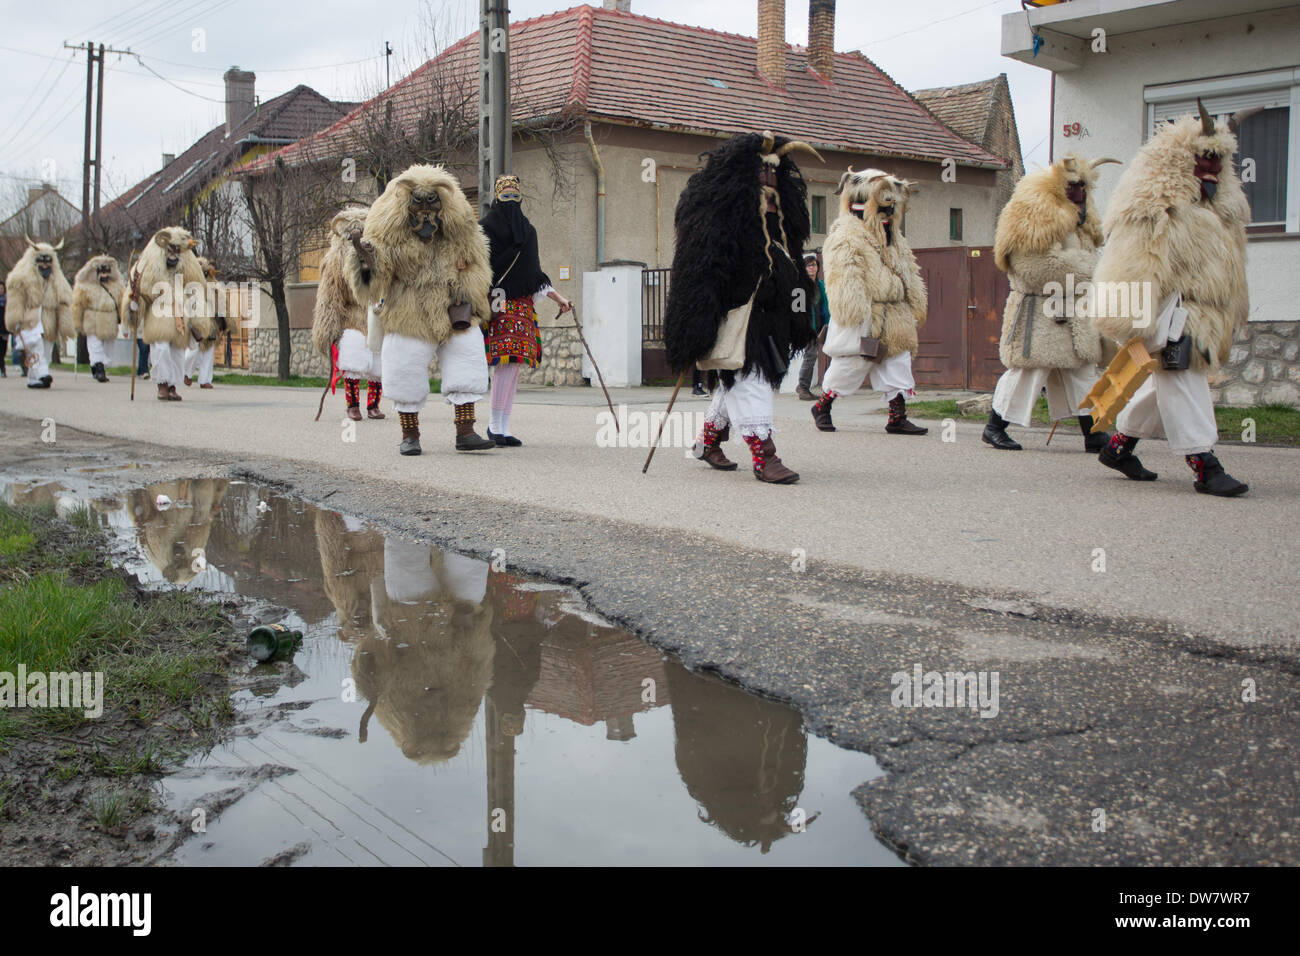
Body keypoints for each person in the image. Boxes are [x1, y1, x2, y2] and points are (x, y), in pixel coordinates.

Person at [1088, 101, 1254, 497]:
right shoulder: (1152, 205)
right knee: (1182, 378)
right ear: (1180, 159)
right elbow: (1131, 264)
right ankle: (1204, 464)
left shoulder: (1223, 210)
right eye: (1203, 158)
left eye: (1218, 160)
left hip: (1204, 313)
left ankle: (1118, 446)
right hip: (1171, 313)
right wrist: (1132, 316)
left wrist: (1232, 308)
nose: (1210, 168)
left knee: (1162, 381)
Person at [664, 131, 822, 484]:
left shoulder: (780, 232)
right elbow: (701, 276)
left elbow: (794, 280)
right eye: (761, 176)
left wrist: (797, 314)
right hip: (737, 323)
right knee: (749, 383)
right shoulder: (723, 227)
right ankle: (764, 456)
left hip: (770, 325)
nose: (769, 187)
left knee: (743, 382)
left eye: (773, 177)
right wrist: (697, 326)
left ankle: (707, 442)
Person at [350, 164, 495, 455]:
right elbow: (371, 283)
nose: (426, 210)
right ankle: (410, 435)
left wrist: (470, 299)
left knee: (467, 357)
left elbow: (478, 267)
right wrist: (367, 263)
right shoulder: (389, 237)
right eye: (418, 202)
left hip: (454, 308)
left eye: (433, 202)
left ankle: (465, 432)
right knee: (403, 362)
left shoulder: (460, 234)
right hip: (408, 311)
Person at [982, 154, 1121, 451]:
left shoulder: (1078, 223)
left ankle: (1094, 433)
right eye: (1073, 186)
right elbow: (1037, 268)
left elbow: (1081, 260)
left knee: (1083, 371)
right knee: (1029, 371)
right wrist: (1092, 270)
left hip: (1073, 312)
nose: (1080, 193)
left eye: (1084, 186)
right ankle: (994, 427)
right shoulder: (1033, 217)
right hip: (1039, 313)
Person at [814, 168, 928, 435]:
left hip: (894, 311)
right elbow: (844, 271)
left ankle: (896, 416)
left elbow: (907, 268)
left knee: (897, 361)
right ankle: (823, 406)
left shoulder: (893, 237)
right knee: (854, 363)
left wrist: (914, 299)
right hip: (864, 312)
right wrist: (853, 308)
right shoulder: (846, 233)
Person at [479, 174, 571, 447]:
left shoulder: (528, 232)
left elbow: (534, 274)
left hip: (521, 307)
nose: (510, 201)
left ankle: (503, 426)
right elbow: (476, 268)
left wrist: (559, 298)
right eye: (505, 196)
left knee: (514, 366)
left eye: (514, 196)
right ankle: (494, 425)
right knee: (503, 365)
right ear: (497, 198)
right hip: (495, 305)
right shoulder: (482, 230)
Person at [312, 206, 383, 420]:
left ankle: (373, 404)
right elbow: (329, 298)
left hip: (374, 315)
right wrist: (329, 328)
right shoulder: (335, 261)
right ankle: (352, 404)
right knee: (352, 354)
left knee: (377, 360)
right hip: (351, 318)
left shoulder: (377, 256)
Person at [121, 227, 206, 401]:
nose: (173, 255)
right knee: (161, 348)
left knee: (176, 352)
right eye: (170, 250)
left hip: (179, 317)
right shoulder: (149, 270)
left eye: (177, 251)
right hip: (158, 318)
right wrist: (134, 305)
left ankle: (173, 385)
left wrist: (197, 316)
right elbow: (141, 293)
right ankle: (162, 383)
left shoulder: (186, 271)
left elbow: (195, 291)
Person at [5, 238, 73, 389]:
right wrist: (15, 318)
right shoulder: (21, 278)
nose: (44, 264)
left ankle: (34, 379)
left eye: (48, 261)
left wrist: (65, 324)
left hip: (49, 320)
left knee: (46, 349)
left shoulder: (57, 280)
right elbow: (16, 300)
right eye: (41, 260)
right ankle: (42, 374)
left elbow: (64, 301)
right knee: (35, 346)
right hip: (31, 319)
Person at [71, 255, 125, 384]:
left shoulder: (116, 286)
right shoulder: (85, 286)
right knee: (95, 345)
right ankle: (99, 367)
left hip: (110, 320)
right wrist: (77, 322)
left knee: (108, 349)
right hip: (92, 320)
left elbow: (121, 303)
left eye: (106, 271)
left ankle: (98, 366)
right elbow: (78, 305)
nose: (104, 274)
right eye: (101, 271)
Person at [183, 257, 225, 390]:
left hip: (210, 318)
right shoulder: (190, 281)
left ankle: (205, 379)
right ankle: (186, 373)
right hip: (196, 317)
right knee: (193, 348)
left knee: (209, 349)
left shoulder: (212, 282)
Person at [795, 251, 829, 400]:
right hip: (808, 326)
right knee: (811, 355)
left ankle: (807, 387)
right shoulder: (800, 286)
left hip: (821, 326)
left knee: (815, 355)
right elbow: (797, 310)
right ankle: (802, 387)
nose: (812, 268)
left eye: (814, 265)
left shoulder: (820, 285)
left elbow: (825, 306)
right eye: (808, 265)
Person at [0, 281, 8, 377]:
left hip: (4, 329)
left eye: (1, 288)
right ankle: (2, 368)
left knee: (3, 349)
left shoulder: (7, 302)